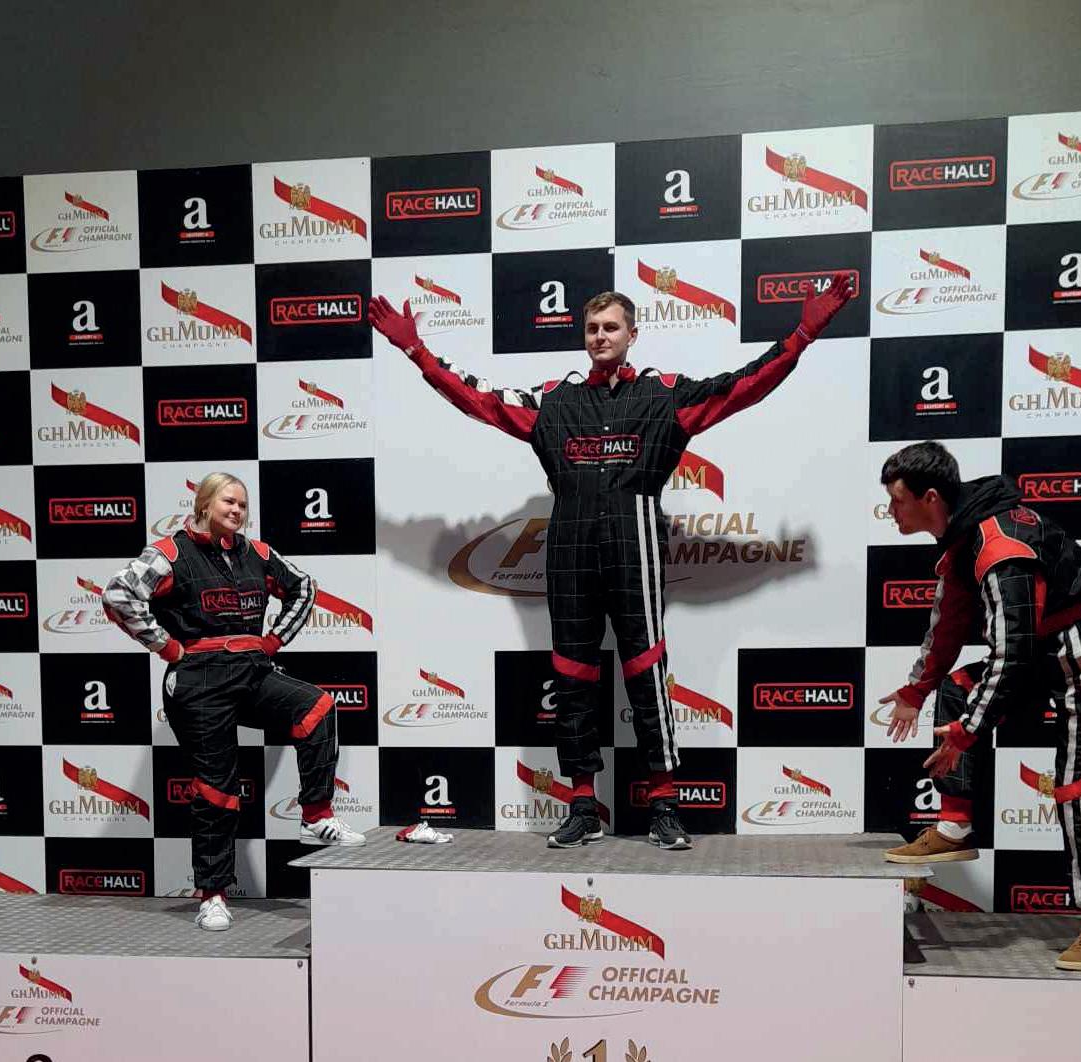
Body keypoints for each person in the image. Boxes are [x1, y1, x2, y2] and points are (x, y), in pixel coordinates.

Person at [368, 275, 854, 850]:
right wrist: (416, 350)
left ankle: (665, 806)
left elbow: (743, 386)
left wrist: (802, 335)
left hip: (635, 542)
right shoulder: (554, 401)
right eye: (592, 329)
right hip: (568, 548)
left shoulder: (664, 395)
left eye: (611, 328)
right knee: (572, 677)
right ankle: (582, 807)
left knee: (646, 671)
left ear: (632, 335)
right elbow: (480, 399)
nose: (600, 336)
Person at [877, 442, 1081, 970]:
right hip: (1051, 644)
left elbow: (1013, 653)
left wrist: (965, 734)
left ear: (930, 498)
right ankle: (954, 827)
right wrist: (916, 691)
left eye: (897, 500)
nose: (890, 511)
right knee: (958, 689)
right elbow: (951, 623)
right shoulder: (962, 537)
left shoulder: (999, 545)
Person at [104, 471, 364, 932]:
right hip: (198, 682)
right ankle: (213, 895)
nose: (237, 511)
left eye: (243, 505)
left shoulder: (257, 552)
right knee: (217, 790)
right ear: (205, 504)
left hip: (252, 671)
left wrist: (274, 640)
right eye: (229, 502)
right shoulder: (169, 553)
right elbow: (118, 594)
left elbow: (305, 587)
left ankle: (316, 816)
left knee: (318, 707)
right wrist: (167, 646)